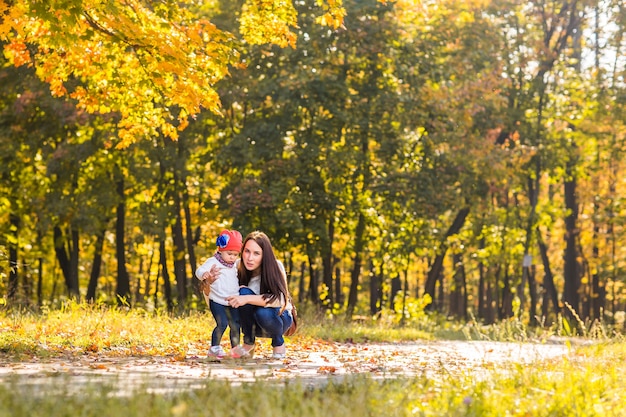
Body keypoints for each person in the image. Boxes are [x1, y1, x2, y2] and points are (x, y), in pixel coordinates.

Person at [226, 231, 294, 360]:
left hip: (279, 319)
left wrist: (246, 299)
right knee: (242, 292)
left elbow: (280, 299)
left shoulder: (275, 266)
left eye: (256, 253)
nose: (250, 258)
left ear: (264, 255)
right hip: (252, 322)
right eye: (247, 251)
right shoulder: (236, 266)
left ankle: (278, 342)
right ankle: (248, 343)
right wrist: (210, 281)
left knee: (262, 311)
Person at [195, 229, 243, 359]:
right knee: (222, 323)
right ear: (220, 250)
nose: (232, 257)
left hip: (232, 299)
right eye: (229, 253)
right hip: (217, 300)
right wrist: (204, 275)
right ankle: (214, 348)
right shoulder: (213, 261)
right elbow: (199, 270)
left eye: (235, 254)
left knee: (236, 324)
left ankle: (235, 348)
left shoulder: (234, 265)